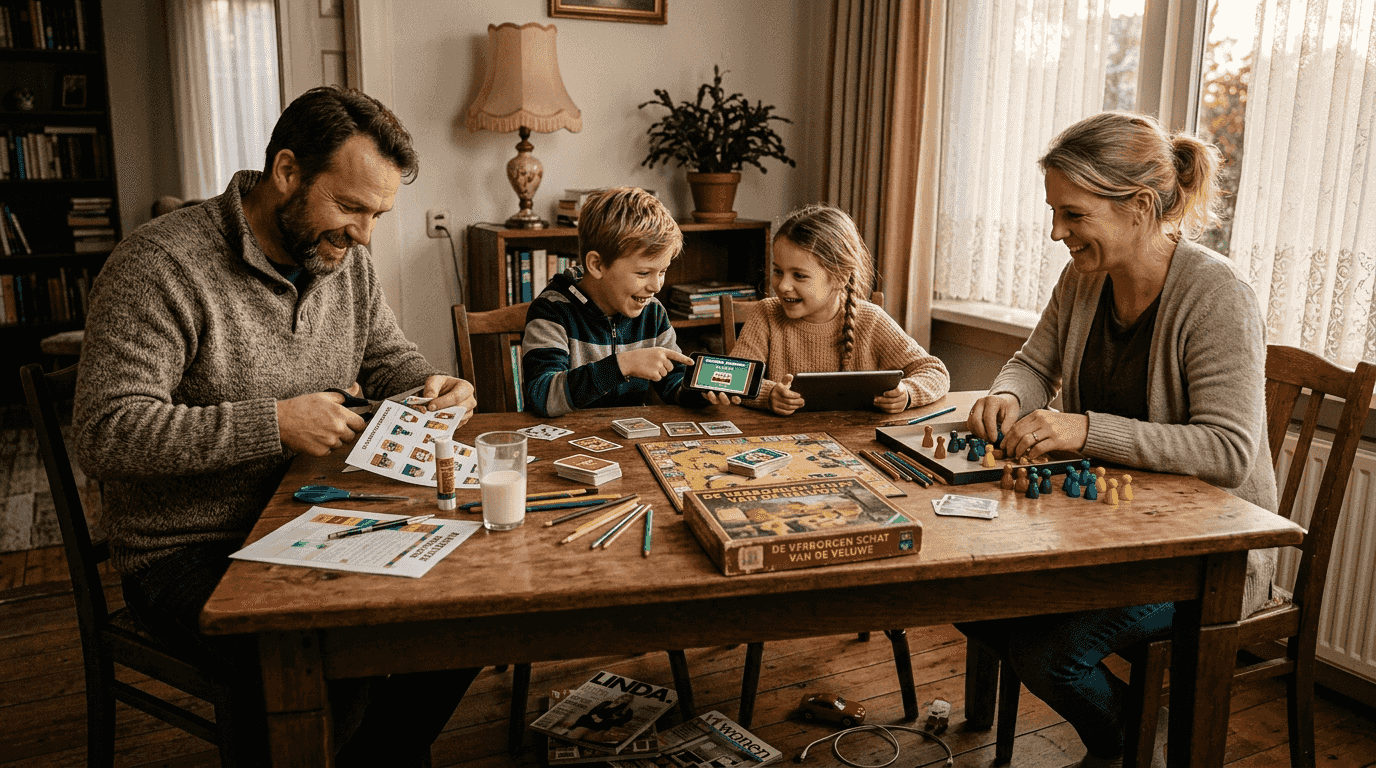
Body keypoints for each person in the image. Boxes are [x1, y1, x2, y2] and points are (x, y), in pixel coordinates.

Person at [73, 85, 481, 767]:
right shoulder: (160, 266)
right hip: (189, 547)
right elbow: (105, 432)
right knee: (325, 669)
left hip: (319, 517)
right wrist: (273, 424)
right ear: (287, 172)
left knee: (463, 622)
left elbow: (390, 360)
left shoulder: (345, 260)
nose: (364, 234)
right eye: (350, 206)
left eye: (377, 214)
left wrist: (435, 386)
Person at [959, 111, 1278, 768]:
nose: (1057, 232)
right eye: (1055, 212)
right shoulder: (1084, 276)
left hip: (1206, 558)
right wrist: (1008, 395)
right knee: (969, 598)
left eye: (1073, 214)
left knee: (1047, 652)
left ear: (1139, 207)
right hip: (1106, 529)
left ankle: (1129, 745)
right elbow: (1033, 362)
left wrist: (1083, 428)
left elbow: (1227, 451)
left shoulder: (1218, 294)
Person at [708, 203, 949, 415]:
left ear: (840, 277)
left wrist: (907, 393)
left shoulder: (871, 320)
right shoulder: (766, 314)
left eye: (799, 275)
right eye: (778, 271)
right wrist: (769, 395)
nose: (782, 285)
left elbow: (935, 371)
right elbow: (734, 379)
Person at [522, 186, 709, 417]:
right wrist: (622, 365)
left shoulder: (652, 312)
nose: (656, 286)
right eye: (643, 273)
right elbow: (543, 396)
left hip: (626, 435)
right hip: (568, 436)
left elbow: (673, 384)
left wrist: (699, 393)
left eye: (662, 271)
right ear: (597, 265)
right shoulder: (552, 311)